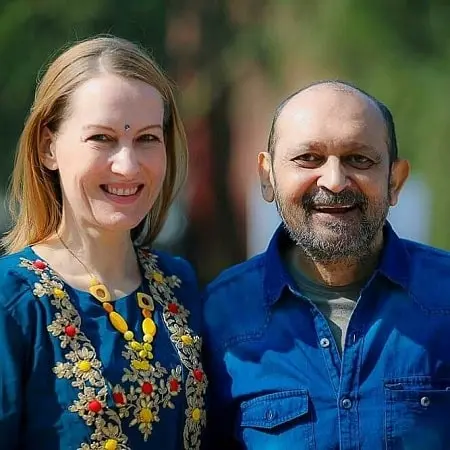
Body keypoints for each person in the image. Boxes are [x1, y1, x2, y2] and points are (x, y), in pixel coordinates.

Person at [203, 80, 450, 449]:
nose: (334, 181)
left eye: (359, 159)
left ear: (395, 181)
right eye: (308, 158)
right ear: (267, 177)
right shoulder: (216, 316)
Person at [0, 35, 207, 450]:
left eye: (147, 138)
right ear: (48, 147)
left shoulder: (179, 285)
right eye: (102, 138)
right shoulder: (12, 299)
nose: (127, 165)